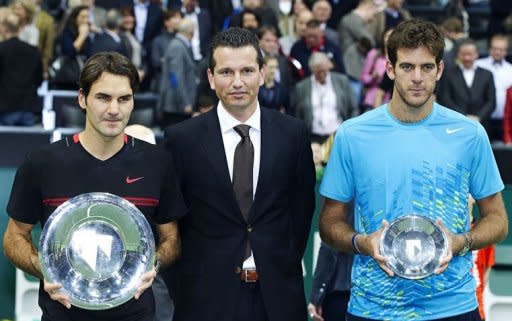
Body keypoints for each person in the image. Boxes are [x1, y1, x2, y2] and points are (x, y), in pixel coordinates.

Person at [318, 19, 508, 321]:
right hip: (373, 307)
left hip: (453, 305)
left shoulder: (469, 134)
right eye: (407, 67)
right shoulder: (353, 135)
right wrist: (362, 243)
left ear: (440, 69)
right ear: (390, 69)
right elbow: (329, 223)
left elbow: (498, 219)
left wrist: (462, 242)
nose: (417, 77)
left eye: (426, 67)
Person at [2, 52, 185, 321]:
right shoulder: (42, 162)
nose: (114, 109)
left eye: (124, 99)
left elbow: (172, 240)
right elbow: (14, 236)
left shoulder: (157, 162)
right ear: (82, 98)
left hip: (136, 315)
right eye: (103, 97)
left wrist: (152, 265)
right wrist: (43, 267)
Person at [165, 27, 316, 321]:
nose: (237, 82)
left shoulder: (293, 134)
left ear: (262, 74)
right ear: (210, 78)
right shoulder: (181, 139)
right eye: (226, 72)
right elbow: (174, 221)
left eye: (246, 71)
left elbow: (301, 212)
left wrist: (277, 264)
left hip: (277, 297)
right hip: (203, 299)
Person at [293, 51, 357, 143]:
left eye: (324, 71)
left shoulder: (342, 81)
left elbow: (353, 108)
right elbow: (297, 114)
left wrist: (349, 129)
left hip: (338, 135)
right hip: (312, 137)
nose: (322, 74)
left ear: (329, 67)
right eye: (318, 72)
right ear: (312, 70)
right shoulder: (301, 87)